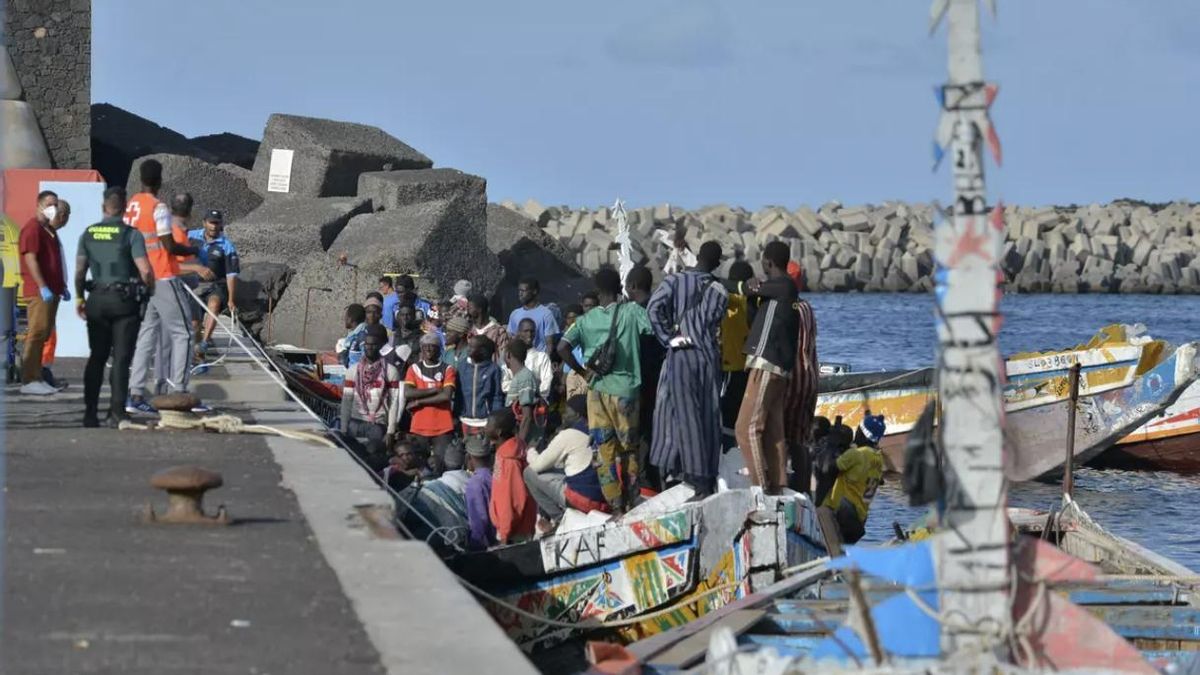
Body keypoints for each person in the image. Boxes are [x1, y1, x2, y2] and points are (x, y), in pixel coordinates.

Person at [557, 267, 653, 515]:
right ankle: (633, 500)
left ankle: (616, 506)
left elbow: (562, 347)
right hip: (625, 392)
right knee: (629, 448)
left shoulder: (585, 320)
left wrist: (583, 372)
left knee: (604, 450)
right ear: (619, 287)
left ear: (598, 291)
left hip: (596, 391)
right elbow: (653, 331)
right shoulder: (631, 311)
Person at [735, 241, 820, 494]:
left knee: (746, 428)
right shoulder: (789, 302)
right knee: (775, 431)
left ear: (768, 262)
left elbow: (750, 289)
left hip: (768, 367)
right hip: (788, 373)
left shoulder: (783, 288)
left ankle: (762, 489)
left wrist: (746, 286)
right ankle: (782, 485)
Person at [647, 241, 729, 497]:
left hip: (682, 354)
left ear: (698, 256)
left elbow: (653, 309)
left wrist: (667, 337)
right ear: (716, 262)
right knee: (708, 416)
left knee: (682, 415)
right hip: (708, 357)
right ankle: (707, 473)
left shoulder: (675, 281)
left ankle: (693, 478)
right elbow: (713, 321)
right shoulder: (720, 289)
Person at [125, 159, 201, 414]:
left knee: (147, 334)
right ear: (159, 181)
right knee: (184, 333)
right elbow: (168, 246)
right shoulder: (157, 208)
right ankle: (178, 389)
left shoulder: (132, 204)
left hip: (141, 276)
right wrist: (192, 249)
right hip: (162, 275)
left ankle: (135, 394)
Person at [74, 187, 153, 427]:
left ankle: (90, 413)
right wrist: (148, 291)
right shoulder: (131, 234)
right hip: (124, 302)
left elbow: (79, 272)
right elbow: (146, 270)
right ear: (126, 208)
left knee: (96, 357)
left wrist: (80, 299)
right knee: (121, 358)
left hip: (96, 299)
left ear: (103, 207)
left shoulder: (89, 233)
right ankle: (117, 412)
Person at [523, 395, 607, 524]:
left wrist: (530, 451)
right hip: (603, 499)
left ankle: (559, 519)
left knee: (529, 473)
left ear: (578, 415)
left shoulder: (568, 435)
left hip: (582, 500)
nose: (563, 415)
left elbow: (537, 466)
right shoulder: (599, 430)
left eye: (567, 412)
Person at [18, 190, 67, 395]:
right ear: (38, 204)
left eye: (55, 204)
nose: (53, 208)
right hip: (39, 291)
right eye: (49, 204)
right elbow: (31, 260)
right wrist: (43, 286)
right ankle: (29, 379)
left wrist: (60, 286)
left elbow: (53, 261)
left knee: (44, 333)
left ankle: (37, 375)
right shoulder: (32, 230)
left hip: (52, 290)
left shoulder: (48, 230)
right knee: (36, 333)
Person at [627, 264, 666, 494]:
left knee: (642, 435)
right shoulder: (659, 308)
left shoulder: (635, 313)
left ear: (632, 286)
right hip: (659, 380)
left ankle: (645, 484)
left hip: (642, 383)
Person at [822, 415, 886, 544]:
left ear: (862, 433)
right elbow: (868, 492)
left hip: (843, 514)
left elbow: (828, 468)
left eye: (858, 430)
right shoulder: (879, 460)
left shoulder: (857, 454)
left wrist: (831, 445)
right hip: (860, 520)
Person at [340, 324, 403, 449]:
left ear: (379, 346)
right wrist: (343, 428)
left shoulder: (390, 371)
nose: (369, 347)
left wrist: (391, 431)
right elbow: (347, 401)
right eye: (367, 344)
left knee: (372, 454)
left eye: (373, 344)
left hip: (377, 425)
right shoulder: (353, 371)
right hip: (355, 421)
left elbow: (394, 403)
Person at [405, 333, 459, 473]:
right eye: (425, 346)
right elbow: (408, 393)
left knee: (441, 466)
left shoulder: (448, 369)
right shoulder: (414, 369)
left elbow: (446, 396)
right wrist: (435, 389)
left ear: (439, 349)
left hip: (443, 426)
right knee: (419, 466)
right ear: (421, 349)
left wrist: (419, 402)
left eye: (433, 346)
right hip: (419, 426)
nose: (429, 349)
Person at [190, 210, 239, 355]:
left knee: (214, 304)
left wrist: (231, 299)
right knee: (194, 324)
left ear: (221, 224)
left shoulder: (227, 246)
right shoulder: (190, 236)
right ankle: (197, 352)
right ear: (204, 223)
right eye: (211, 223)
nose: (214, 226)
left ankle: (205, 343)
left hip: (215, 286)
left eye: (217, 223)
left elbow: (231, 274)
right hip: (194, 285)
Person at [486, 409, 537, 545]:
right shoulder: (510, 452)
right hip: (517, 528)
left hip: (514, 533)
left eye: (488, 424)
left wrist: (504, 534)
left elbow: (510, 499)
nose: (485, 428)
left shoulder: (509, 461)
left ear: (498, 432)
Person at [720, 261, 755, 450]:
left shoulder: (729, 301)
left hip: (730, 366)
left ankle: (726, 450)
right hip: (748, 367)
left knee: (727, 414)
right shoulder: (754, 302)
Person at [39, 198, 72, 391]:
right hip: (47, 291)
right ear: (60, 216)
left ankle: (44, 371)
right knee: (46, 334)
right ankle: (42, 372)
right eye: (66, 217)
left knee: (50, 334)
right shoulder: (45, 234)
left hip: (55, 289)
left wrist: (63, 285)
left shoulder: (52, 234)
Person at [456, 335, 506, 457]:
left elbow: (497, 396)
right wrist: (456, 413)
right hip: (465, 420)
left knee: (483, 453)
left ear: (483, 351)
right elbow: (458, 393)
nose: (468, 349)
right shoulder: (462, 366)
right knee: (467, 453)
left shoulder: (493, 369)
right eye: (469, 345)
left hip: (484, 421)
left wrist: (494, 420)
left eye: (472, 347)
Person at [504, 317, 553, 400]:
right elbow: (504, 384)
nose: (529, 334)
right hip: (513, 403)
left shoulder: (542, 357)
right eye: (526, 331)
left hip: (536, 402)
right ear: (519, 333)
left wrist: (532, 393)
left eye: (532, 331)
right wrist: (522, 390)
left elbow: (547, 382)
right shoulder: (510, 356)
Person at [507, 277, 559, 354]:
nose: (520, 294)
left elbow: (549, 345)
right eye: (519, 290)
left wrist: (545, 362)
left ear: (534, 291)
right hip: (520, 360)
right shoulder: (515, 314)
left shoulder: (546, 314)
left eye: (523, 291)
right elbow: (511, 340)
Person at [504, 339, 541, 446]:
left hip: (528, 441)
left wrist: (519, 445)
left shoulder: (525, 378)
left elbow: (527, 417)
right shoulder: (520, 376)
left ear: (508, 355)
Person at [464, 440, 497, 550]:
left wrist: (474, 546)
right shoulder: (498, 475)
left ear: (469, 458)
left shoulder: (474, 484)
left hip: (493, 544)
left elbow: (479, 520)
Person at [559, 303, 589, 401]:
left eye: (575, 317)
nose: (572, 320)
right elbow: (566, 367)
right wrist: (562, 384)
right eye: (569, 318)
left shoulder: (586, 337)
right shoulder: (567, 342)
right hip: (573, 382)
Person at [467, 293, 508, 361]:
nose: (467, 311)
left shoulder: (498, 331)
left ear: (479, 309)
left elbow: (503, 355)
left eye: (470, 308)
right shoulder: (470, 330)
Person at [391, 302, 424, 369]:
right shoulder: (392, 337)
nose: (405, 318)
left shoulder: (422, 337)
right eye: (402, 315)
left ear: (414, 316)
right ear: (398, 317)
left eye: (408, 315)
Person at [337, 303, 368, 368]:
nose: (344, 319)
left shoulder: (362, 336)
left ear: (350, 319)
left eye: (346, 316)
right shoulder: (353, 336)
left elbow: (366, 360)